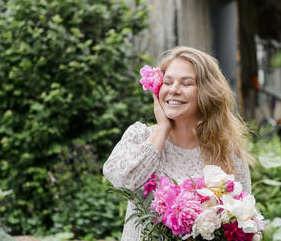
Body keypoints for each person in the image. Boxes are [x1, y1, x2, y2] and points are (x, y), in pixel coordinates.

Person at [103, 46, 255, 241]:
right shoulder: (140, 136)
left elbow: (244, 223)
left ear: (206, 92)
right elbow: (122, 181)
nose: (174, 90)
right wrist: (162, 129)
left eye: (186, 83)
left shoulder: (226, 151)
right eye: (167, 82)